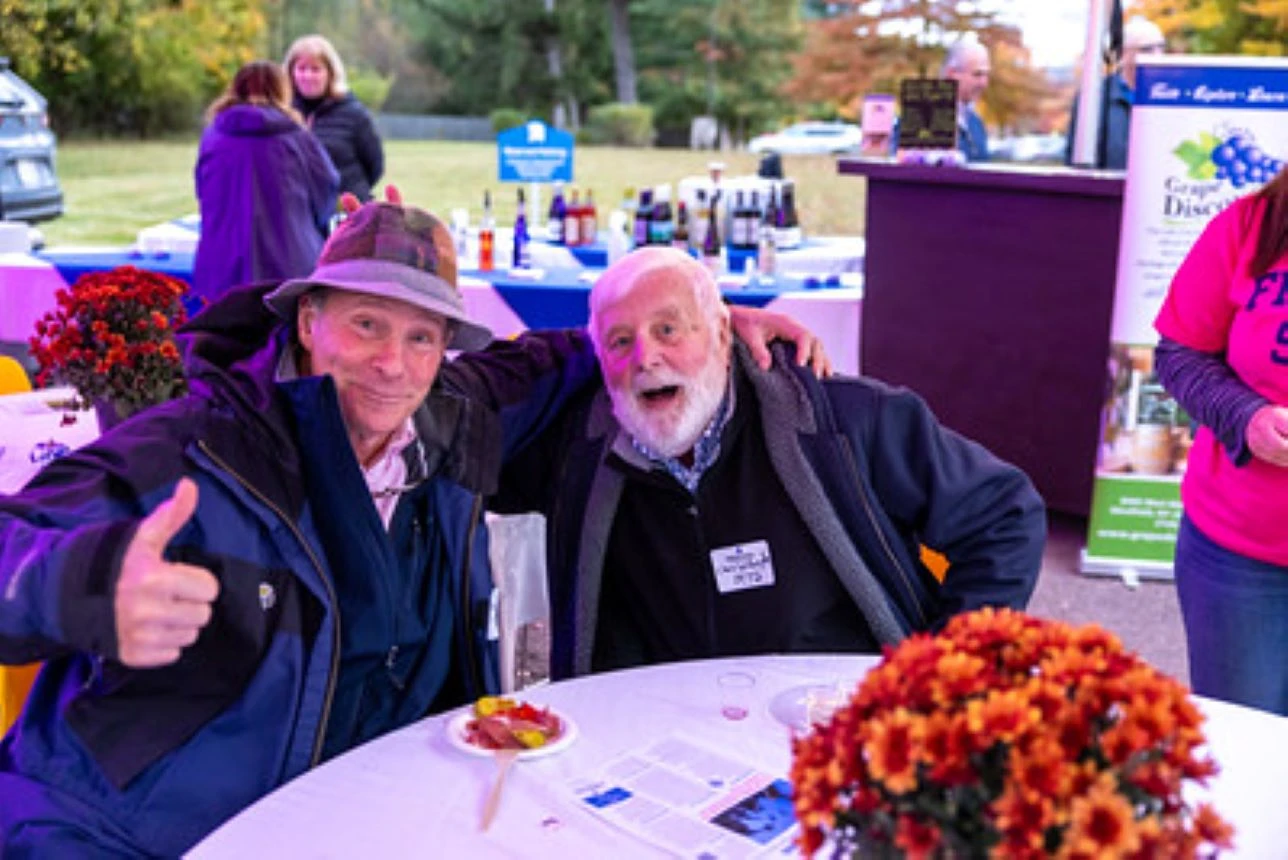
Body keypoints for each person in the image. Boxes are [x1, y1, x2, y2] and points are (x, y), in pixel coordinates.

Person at [0, 195, 821, 854]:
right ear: (308, 320)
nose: (393, 364)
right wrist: (86, 586)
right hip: (131, 830)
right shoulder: (193, 447)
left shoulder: (453, 419)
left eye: (421, 336)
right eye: (365, 324)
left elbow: (577, 351)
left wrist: (706, 329)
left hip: (364, 815)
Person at [490, 246, 1046, 679]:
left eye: (669, 330)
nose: (646, 358)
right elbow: (458, 429)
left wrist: (944, 669)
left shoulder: (842, 422)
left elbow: (1004, 514)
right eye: (619, 341)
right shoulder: (575, 452)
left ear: (724, 331)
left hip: (833, 726)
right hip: (659, 738)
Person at [1153, 164, 1288, 716]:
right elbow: (1180, 353)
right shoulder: (1252, 226)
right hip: (1241, 558)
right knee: (1245, 755)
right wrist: (1248, 417)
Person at [193, 60, 339, 306]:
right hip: (290, 262)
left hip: (221, 262)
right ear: (282, 89)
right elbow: (326, 187)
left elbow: (204, 191)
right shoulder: (297, 136)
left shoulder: (214, 136)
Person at [285, 34, 385, 203]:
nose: (308, 76)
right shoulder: (281, 114)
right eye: (301, 68)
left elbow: (374, 165)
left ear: (330, 73)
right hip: (298, 211)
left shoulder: (354, 114)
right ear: (291, 72)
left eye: (315, 69)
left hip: (345, 212)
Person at [1065, 16, 1166, 170]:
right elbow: (1076, 161)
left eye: (1161, 47)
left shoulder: (1172, 97)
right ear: (1122, 54)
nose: (1157, 56)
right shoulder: (1094, 99)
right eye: (1147, 49)